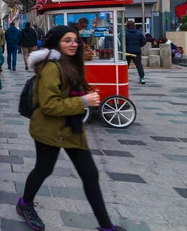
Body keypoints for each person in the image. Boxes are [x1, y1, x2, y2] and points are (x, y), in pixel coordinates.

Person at [16, 25, 126, 231]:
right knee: (43, 169)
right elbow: (49, 105)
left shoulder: (70, 64)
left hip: (71, 128)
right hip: (49, 130)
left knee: (90, 174)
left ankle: (106, 226)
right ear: (57, 43)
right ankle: (24, 204)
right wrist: (84, 101)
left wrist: (84, 96)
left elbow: (69, 93)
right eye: (67, 40)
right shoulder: (51, 67)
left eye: (75, 40)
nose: (73, 44)